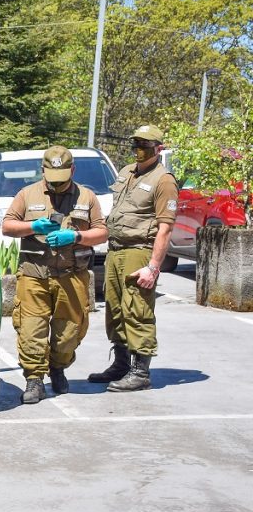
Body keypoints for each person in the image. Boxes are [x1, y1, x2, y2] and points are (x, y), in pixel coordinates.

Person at [1, 146, 108, 404]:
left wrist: (76, 236)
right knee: (31, 329)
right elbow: (7, 226)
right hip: (34, 275)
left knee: (69, 333)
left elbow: (103, 233)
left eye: (62, 176)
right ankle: (34, 380)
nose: (57, 183)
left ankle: (58, 367)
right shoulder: (27, 194)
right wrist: (32, 226)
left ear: (72, 170)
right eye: (51, 177)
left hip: (72, 275)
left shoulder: (87, 197)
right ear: (43, 171)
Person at [90, 124, 178, 392]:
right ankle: (121, 364)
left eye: (145, 146)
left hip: (139, 251)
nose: (139, 150)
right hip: (115, 250)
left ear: (158, 149)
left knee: (137, 310)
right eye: (136, 145)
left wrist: (153, 267)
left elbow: (165, 227)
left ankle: (141, 372)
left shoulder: (164, 180)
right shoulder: (127, 172)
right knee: (115, 310)